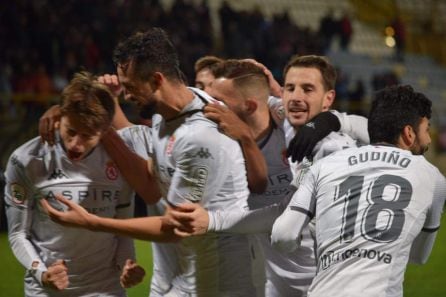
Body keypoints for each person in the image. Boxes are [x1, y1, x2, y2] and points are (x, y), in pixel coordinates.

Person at [42, 28, 266, 296]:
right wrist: (85, 119)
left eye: (131, 87)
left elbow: (174, 228)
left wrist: (92, 222)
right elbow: (150, 187)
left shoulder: (200, 137)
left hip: (218, 280)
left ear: (157, 80)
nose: (126, 95)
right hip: (182, 271)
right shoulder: (166, 113)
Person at [171, 55, 369, 297]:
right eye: (289, 88)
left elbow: (284, 213)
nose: (210, 107)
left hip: (330, 284)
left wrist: (211, 221)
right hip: (275, 285)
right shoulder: (228, 138)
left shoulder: (330, 148)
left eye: (219, 101)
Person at [271, 85, 446, 297]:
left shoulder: (324, 165)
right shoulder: (433, 178)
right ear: (409, 133)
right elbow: (418, 256)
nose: (428, 139)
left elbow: (282, 236)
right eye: (426, 129)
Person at [4, 71, 147, 297]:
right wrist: (41, 273)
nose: (76, 145)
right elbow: (17, 234)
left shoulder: (118, 162)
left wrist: (127, 265)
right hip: (46, 291)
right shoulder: (26, 160)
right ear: (60, 117)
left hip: (105, 290)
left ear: (104, 131)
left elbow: (122, 230)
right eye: (71, 131)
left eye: (88, 135)